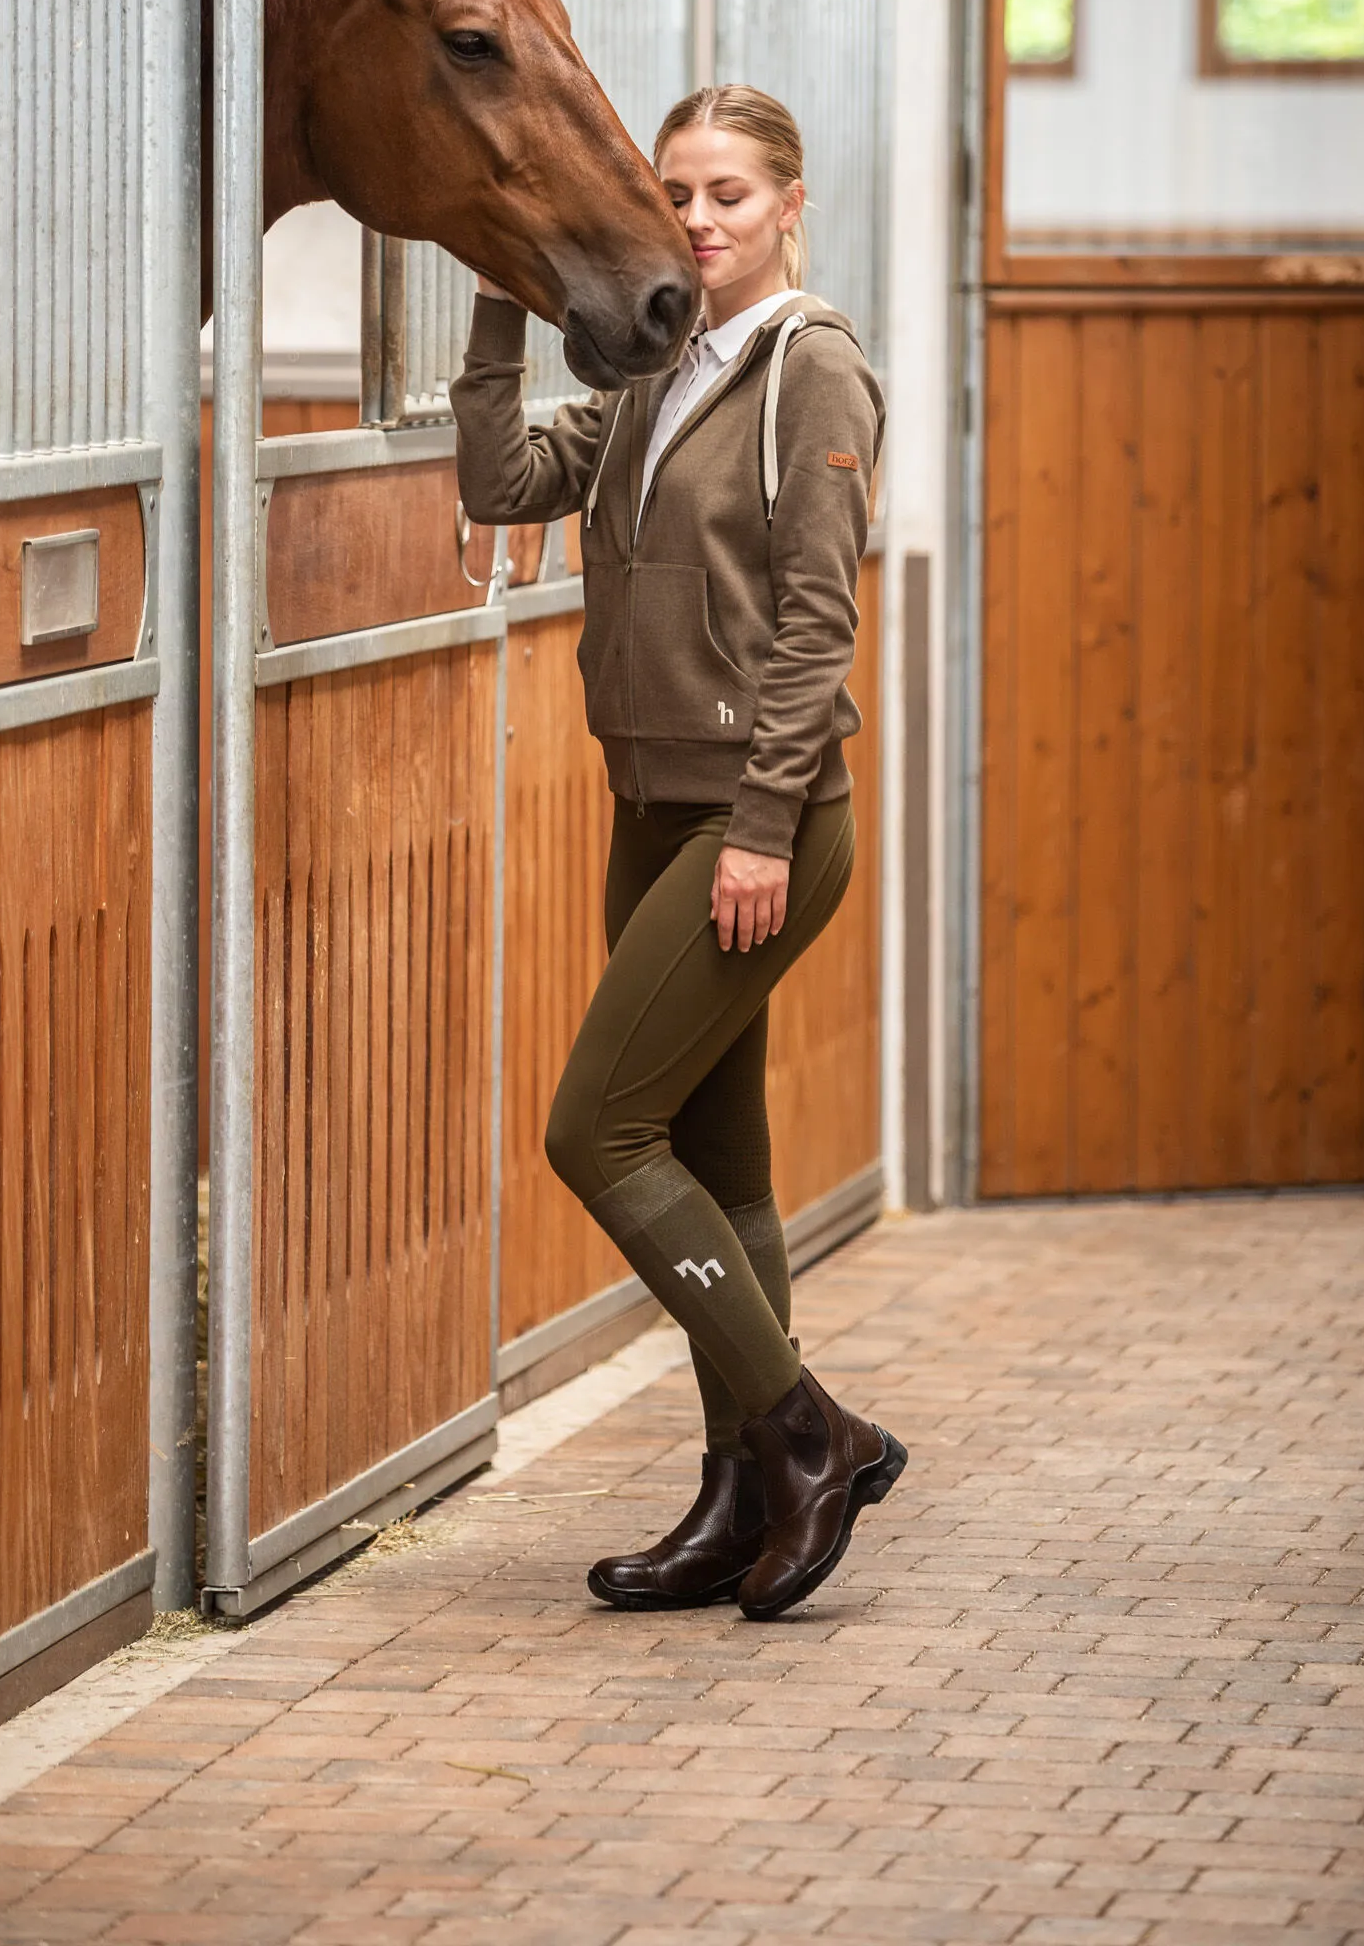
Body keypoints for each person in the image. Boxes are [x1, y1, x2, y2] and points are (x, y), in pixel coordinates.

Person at [451, 84, 904, 1620]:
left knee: (600, 1134)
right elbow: (505, 484)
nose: (698, 221)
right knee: (718, 1158)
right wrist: (504, 302)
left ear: (788, 205)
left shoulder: (810, 370)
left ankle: (808, 1438)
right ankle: (735, 1494)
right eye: (677, 194)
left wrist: (764, 825)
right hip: (649, 805)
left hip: (756, 819)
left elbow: (817, 619)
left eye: (726, 195)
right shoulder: (653, 365)